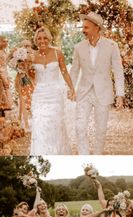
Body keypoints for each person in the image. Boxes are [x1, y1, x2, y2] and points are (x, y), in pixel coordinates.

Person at [70, 12, 125, 154]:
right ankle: (84, 155)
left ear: (97, 28)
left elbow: (118, 71)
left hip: (104, 92)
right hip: (84, 92)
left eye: (86, 27)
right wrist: (71, 88)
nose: (83, 30)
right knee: (79, 127)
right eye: (83, 27)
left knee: (101, 129)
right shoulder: (78, 47)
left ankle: (97, 156)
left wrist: (120, 94)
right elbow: (74, 71)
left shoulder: (112, 46)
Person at [30, 27, 76, 155]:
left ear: (49, 38)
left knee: (55, 123)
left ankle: (57, 152)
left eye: (45, 37)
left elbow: (64, 72)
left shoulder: (57, 53)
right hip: (39, 94)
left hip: (55, 93)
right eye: (39, 38)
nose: (42, 41)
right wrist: (23, 69)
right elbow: (32, 76)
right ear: (36, 40)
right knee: (39, 124)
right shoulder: (32, 56)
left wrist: (72, 88)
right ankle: (42, 152)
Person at [0, 35, 12, 115]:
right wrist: (3, 78)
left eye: (7, 41)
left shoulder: (4, 51)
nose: (6, 43)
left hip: (5, 73)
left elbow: (6, 62)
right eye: (4, 41)